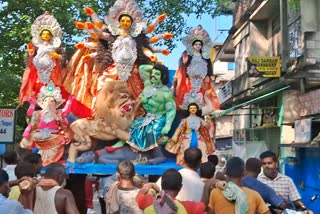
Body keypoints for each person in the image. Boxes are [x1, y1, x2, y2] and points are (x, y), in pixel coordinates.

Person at [64, 0, 172, 117]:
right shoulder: (111, 36)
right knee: (103, 86)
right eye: (123, 20)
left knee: (136, 93)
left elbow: (145, 47)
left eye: (128, 20)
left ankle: (133, 119)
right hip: (114, 68)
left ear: (132, 23)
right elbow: (100, 34)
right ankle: (103, 115)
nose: (125, 22)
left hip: (132, 70)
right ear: (118, 22)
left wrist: (153, 52)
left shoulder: (137, 37)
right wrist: (89, 24)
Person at [117, 64, 176, 153]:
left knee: (149, 134)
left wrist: (168, 125)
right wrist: (157, 67)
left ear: (163, 76)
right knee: (129, 126)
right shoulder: (148, 85)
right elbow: (142, 68)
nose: (152, 75)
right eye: (152, 73)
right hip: (146, 118)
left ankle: (156, 143)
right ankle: (122, 144)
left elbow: (171, 110)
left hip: (158, 120)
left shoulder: (166, 94)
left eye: (157, 74)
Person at [20, 82, 73, 166]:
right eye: (46, 100)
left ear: (55, 103)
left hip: (54, 135)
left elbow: (66, 111)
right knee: (33, 139)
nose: (49, 103)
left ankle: (51, 161)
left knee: (60, 138)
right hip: (40, 135)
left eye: (52, 101)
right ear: (42, 103)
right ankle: (39, 161)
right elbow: (29, 114)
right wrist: (32, 104)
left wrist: (70, 100)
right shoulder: (38, 113)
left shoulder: (58, 112)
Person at [19, 11, 65, 104]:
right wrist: (30, 53)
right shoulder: (36, 45)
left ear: (51, 36)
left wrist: (57, 56)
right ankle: (36, 105)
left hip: (52, 71)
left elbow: (63, 58)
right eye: (44, 34)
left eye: (48, 34)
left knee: (52, 89)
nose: (46, 36)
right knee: (37, 88)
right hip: (38, 71)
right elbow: (29, 59)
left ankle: (52, 104)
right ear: (40, 35)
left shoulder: (56, 45)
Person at [172, 25, 219, 114]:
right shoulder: (187, 56)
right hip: (190, 80)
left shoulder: (205, 57)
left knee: (203, 97)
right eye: (196, 44)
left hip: (202, 81)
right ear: (192, 45)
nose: (198, 46)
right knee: (188, 97)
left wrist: (208, 75)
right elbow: (183, 69)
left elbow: (208, 67)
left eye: (199, 44)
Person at [136, 168, 206, 213]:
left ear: (161, 184)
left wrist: (147, 186)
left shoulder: (148, 202)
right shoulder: (188, 207)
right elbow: (203, 206)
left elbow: (138, 198)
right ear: (180, 187)